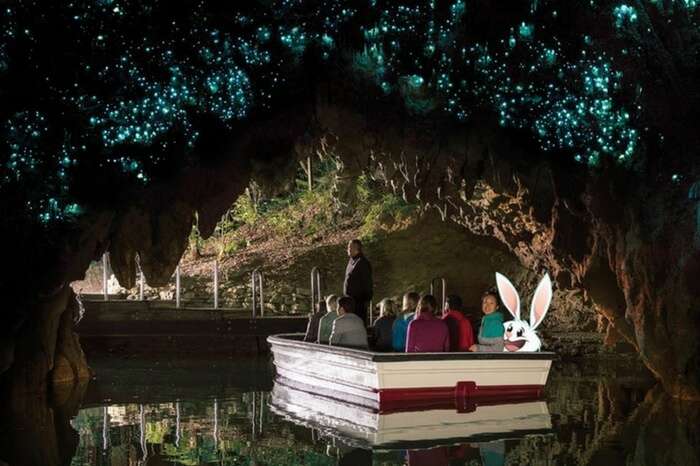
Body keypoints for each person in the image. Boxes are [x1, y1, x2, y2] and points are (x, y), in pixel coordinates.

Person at [343, 239, 373, 325]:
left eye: (349, 247)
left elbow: (367, 282)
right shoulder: (351, 261)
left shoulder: (362, 263)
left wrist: (365, 299)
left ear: (355, 248)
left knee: (358, 323)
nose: (347, 249)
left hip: (358, 302)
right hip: (350, 301)